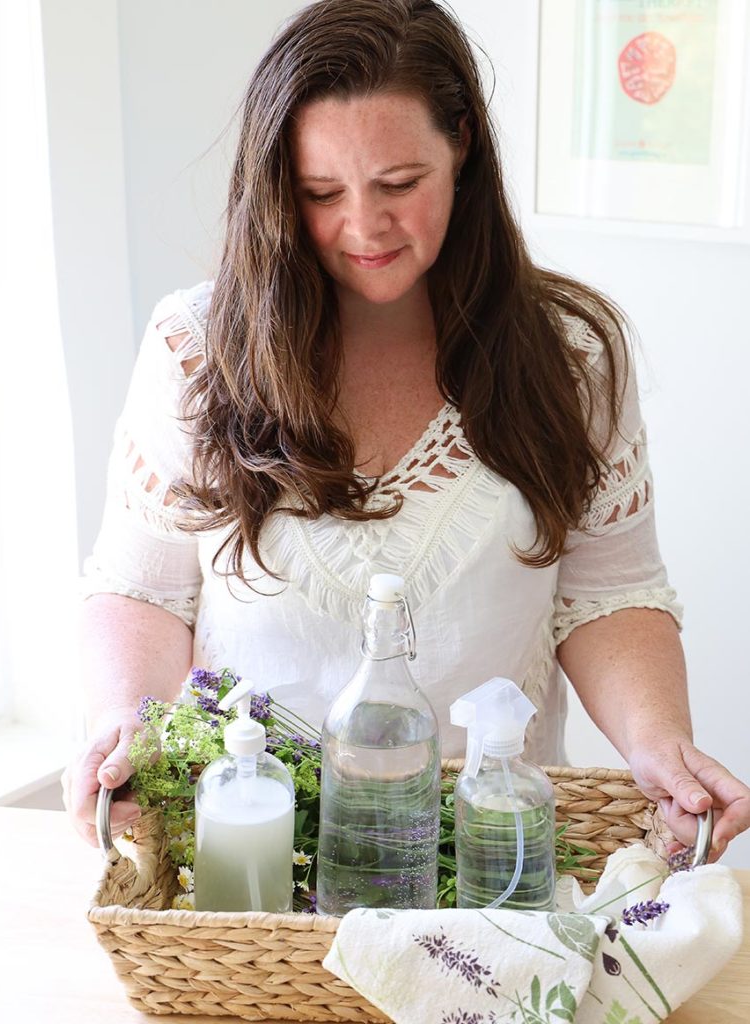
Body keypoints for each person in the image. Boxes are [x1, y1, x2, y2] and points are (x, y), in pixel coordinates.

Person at [63, 0, 749, 860]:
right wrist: (126, 729)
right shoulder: (198, 348)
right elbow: (143, 588)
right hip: (246, 853)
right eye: (320, 193)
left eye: (398, 184)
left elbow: (607, 594)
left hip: (493, 855)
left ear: (461, 145)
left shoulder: (571, 355)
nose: (363, 227)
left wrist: (660, 744)